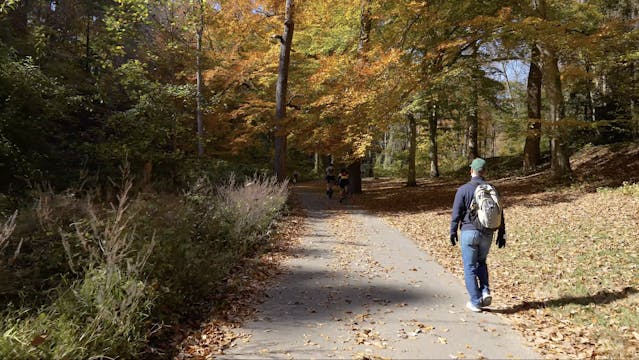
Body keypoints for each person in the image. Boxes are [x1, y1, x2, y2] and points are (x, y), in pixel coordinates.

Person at [449, 158, 506, 313]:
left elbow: (456, 213)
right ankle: (485, 291)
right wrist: (502, 232)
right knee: (481, 262)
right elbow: (500, 212)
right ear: (484, 172)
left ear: (471, 171)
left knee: (469, 267)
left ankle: (475, 301)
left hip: (469, 232)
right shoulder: (491, 189)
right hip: (488, 233)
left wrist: (453, 231)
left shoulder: (463, 190)